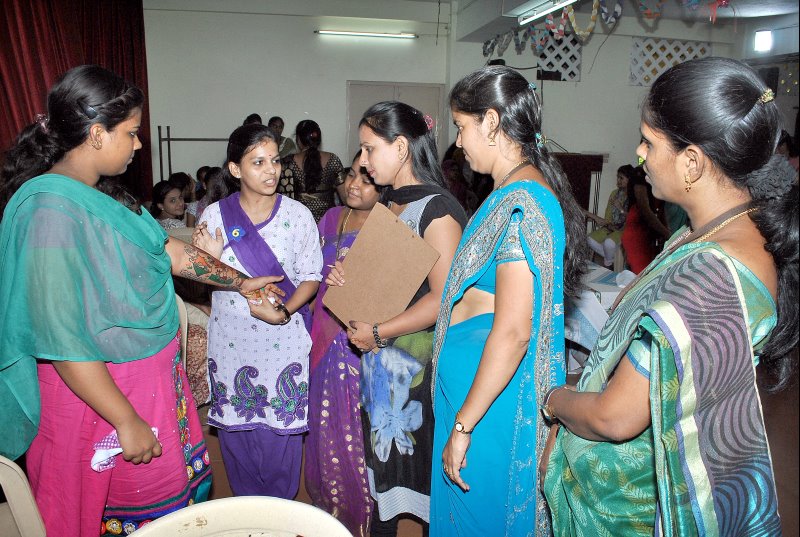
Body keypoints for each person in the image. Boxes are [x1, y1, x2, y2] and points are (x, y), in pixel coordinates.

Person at [0, 64, 285, 536]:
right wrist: (125, 419)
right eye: (131, 133)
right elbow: (62, 340)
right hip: (100, 404)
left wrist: (241, 282)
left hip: (144, 391)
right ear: (97, 134)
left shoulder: (100, 196)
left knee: (167, 513)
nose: (138, 145)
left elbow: (172, 252)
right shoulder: (49, 213)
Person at [542, 56, 797, 536]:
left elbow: (616, 417)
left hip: (629, 509)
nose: (638, 154)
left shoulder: (712, 275)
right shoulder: (713, 233)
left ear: (692, 161)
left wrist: (554, 401)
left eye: (649, 142)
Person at [430, 66, 588, 537]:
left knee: (481, 521)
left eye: (462, 126)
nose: (459, 141)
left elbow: (516, 331)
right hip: (474, 396)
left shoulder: (525, 203)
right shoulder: (506, 193)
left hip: (489, 408)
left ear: (492, 122)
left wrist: (464, 426)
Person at [326, 101, 467, 536]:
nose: (363, 161)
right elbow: (387, 280)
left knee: (424, 483)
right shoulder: (389, 202)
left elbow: (444, 300)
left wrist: (379, 332)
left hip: (419, 373)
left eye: (370, 149)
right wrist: (348, 278)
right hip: (382, 367)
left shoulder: (437, 210)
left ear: (402, 147)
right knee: (384, 482)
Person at [192, 123, 322, 499]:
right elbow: (199, 281)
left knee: (281, 443)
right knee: (238, 445)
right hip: (232, 345)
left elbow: (311, 278)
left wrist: (283, 313)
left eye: (275, 161)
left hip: (283, 343)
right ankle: (249, 516)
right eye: (258, 162)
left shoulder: (298, 215)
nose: (271, 171)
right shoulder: (215, 215)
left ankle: (279, 515)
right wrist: (209, 261)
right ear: (235, 169)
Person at [305, 151, 383, 536]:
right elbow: (309, 275)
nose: (354, 185)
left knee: (356, 429)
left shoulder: (390, 228)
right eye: (352, 175)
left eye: (367, 180)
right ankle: (329, 511)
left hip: (359, 344)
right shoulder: (331, 218)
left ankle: (361, 515)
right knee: (325, 426)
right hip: (322, 334)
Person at [278, 119, 343, 221]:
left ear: (298, 139)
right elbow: (345, 197)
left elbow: (284, 201)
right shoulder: (333, 160)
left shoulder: (287, 163)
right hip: (328, 223)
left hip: (300, 223)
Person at [620, 164, 671, 273]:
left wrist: (666, 233)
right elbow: (644, 209)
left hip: (652, 233)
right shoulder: (639, 173)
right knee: (641, 274)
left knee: (652, 273)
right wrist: (667, 233)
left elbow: (660, 208)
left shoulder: (663, 175)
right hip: (637, 232)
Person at [585, 165, 631, 267]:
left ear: (629, 179)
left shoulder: (633, 196)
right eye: (618, 177)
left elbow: (632, 218)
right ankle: (610, 259)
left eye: (621, 178)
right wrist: (607, 223)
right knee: (589, 239)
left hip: (624, 229)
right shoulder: (614, 193)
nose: (618, 180)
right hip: (610, 227)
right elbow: (608, 214)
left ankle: (608, 262)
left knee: (608, 243)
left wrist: (620, 208)